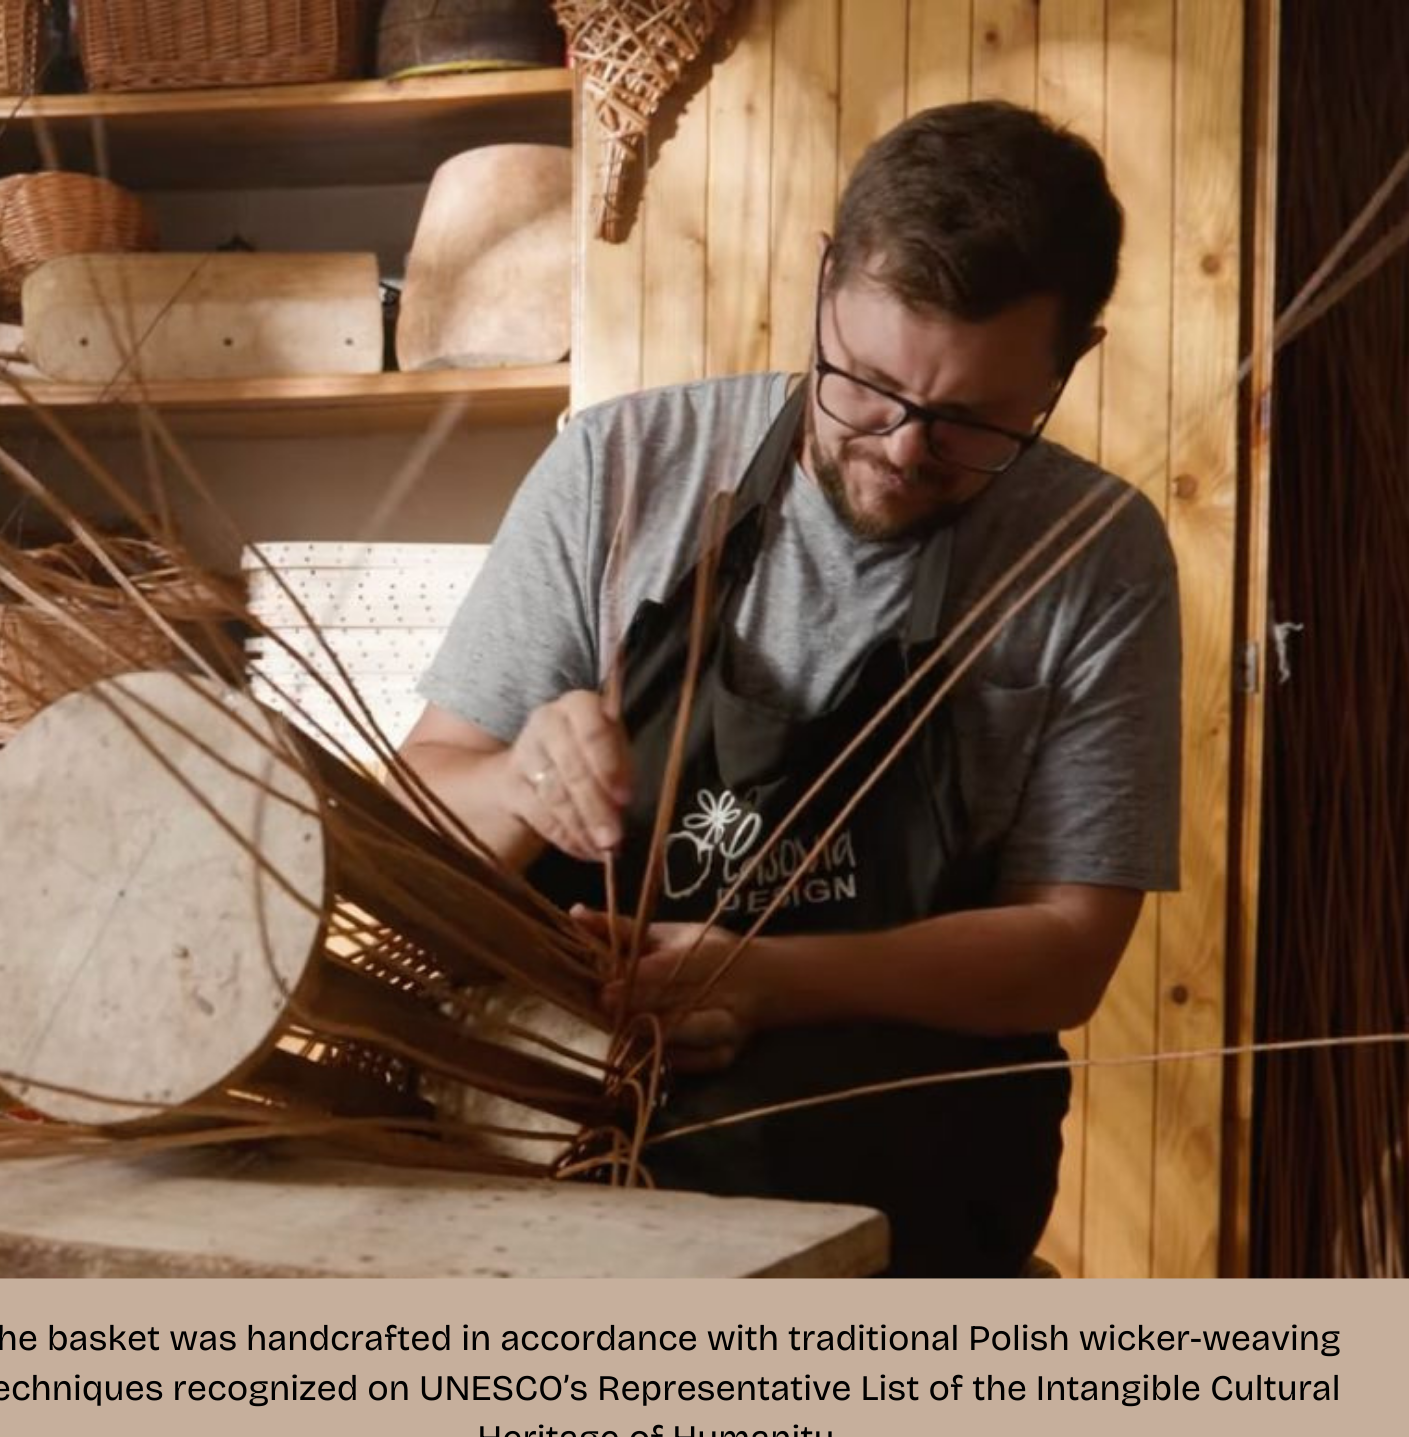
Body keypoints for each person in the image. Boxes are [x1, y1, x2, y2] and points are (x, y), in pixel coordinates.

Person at [400, 100, 1181, 1276]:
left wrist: (767, 980)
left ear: (1069, 364)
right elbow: (413, 826)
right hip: (560, 1170)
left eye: (972, 421)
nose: (904, 450)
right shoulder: (619, 470)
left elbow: (1069, 950)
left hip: (907, 1188)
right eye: (866, 383)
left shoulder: (1093, 552)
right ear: (826, 283)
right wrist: (518, 779)